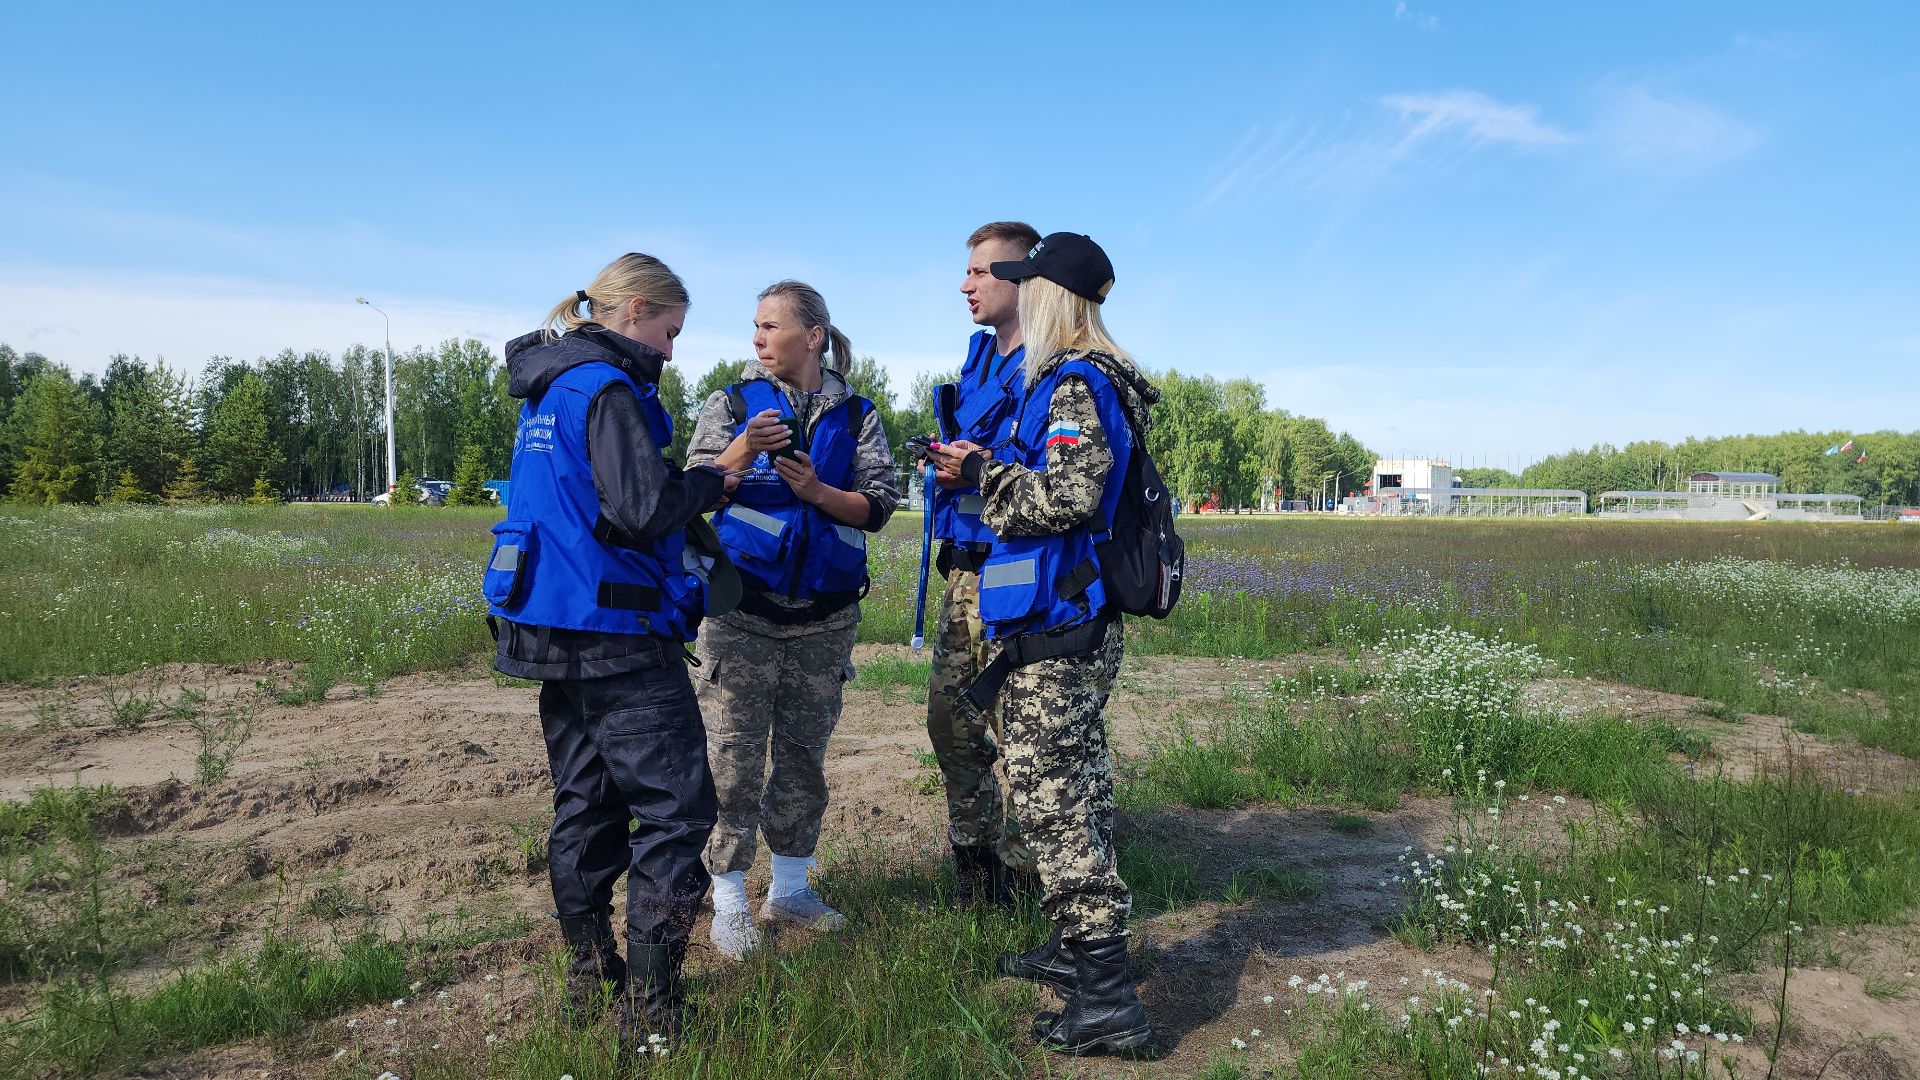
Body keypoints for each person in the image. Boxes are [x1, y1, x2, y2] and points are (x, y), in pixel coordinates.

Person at [484, 253, 736, 1041]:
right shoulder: (610, 389)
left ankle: (590, 981)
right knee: (676, 813)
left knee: (586, 808)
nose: (671, 349)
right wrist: (713, 482)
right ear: (632, 312)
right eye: (669, 331)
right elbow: (641, 508)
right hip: (618, 639)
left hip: (552, 633)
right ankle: (652, 1013)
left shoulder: (550, 386)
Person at [926, 232, 1158, 1056]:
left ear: (1055, 296)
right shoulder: (1082, 380)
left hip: (1061, 624)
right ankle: (1076, 953)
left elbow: (1067, 496)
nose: (1014, 291)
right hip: (1070, 620)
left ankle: (1108, 1002)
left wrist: (978, 475)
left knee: (1052, 806)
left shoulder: (1071, 385)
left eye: (1027, 282)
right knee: (1078, 789)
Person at [685, 280, 898, 960]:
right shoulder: (732, 405)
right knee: (733, 758)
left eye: (769, 325)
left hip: (825, 620)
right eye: (754, 326)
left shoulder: (858, 414)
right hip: (743, 613)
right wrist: (743, 451)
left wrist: (818, 492)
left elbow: (880, 504)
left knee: (804, 759)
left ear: (812, 335)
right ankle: (726, 898)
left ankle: (791, 889)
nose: (756, 338)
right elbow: (689, 490)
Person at [924, 221, 1042, 906]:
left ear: (1022, 279)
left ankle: (1030, 877)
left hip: (1022, 572)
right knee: (950, 720)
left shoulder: (1053, 366)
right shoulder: (979, 360)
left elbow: (1059, 477)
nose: (965, 285)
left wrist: (977, 468)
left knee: (1024, 728)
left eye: (980, 272)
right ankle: (976, 864)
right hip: (966, 568)